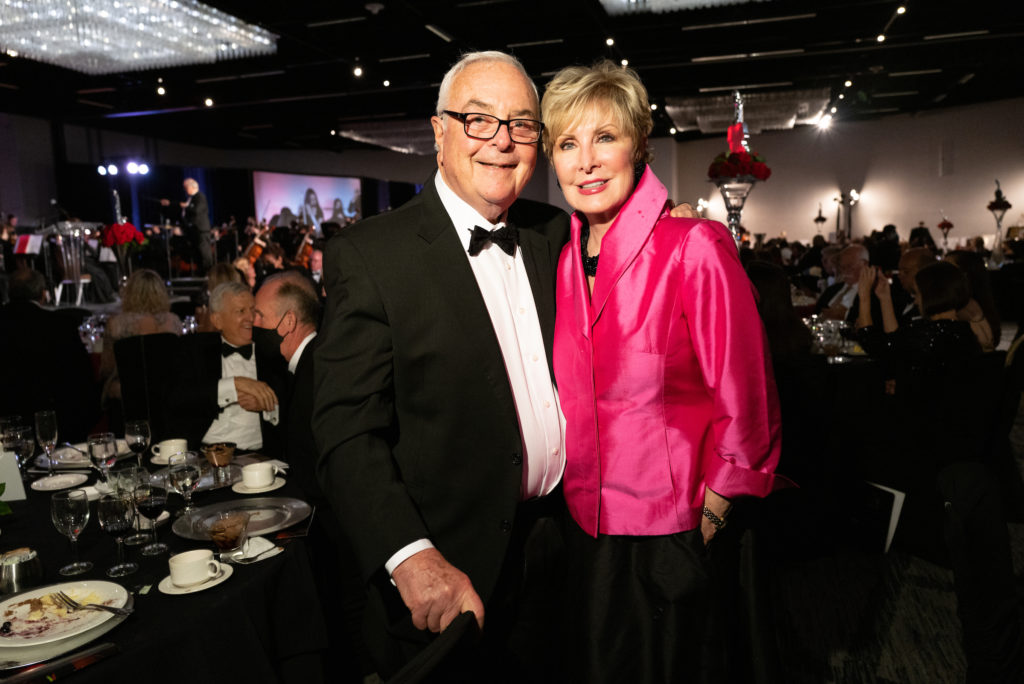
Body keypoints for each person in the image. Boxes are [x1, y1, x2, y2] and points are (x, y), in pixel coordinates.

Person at [313, 51, 571, 681]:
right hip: (449, 574)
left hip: (562, 554)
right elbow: (346, 433)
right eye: (478, 120)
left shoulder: (555, 233)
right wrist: (410, 557)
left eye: (521, 124)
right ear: (438, 132)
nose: (502, 141)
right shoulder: (372, 255)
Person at [542, 61, 784, 683]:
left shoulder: (692, 245)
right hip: (585, 526)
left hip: (671, 530)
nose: (586, 161)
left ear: (638, 144)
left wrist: (717, 509)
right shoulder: (565, 261)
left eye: (605, 138)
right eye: (567, 144)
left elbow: (747, 393)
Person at [170, 281, 286, 455]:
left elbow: (294, 403)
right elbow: (178, 398)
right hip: (207, 454)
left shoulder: (273, 351)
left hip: (260, 455)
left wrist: (268, 406)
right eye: (241, 311)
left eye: (253, 310)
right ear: (217, 320)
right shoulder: (196, 351)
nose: (251, 318)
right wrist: (235, 384)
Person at [0, 268, 99, 442]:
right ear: (42, 294)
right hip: (56, 422)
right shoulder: (59, 325)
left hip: (6, 419)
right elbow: (81, 377)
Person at [100, 269, 182, 405]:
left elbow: (107, 368)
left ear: (130, 293)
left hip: (127, 393)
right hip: (166, 391)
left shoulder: (115, 324)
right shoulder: (173, 321)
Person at [164, 178, 213, 273]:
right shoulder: (190, 199)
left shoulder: (200, 197)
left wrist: (186, 206)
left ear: (192, 187)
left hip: (200, 230)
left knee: (204, 253)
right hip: (193, 231)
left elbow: (197, 210)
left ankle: (209, 273)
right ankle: (201, 273)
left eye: (186, 187)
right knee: (197, 254)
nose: (185, 190)